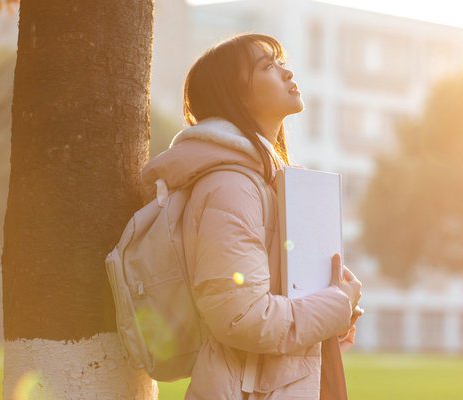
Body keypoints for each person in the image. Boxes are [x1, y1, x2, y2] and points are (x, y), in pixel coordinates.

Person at [142, 33, 363, 400]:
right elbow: (240, 318)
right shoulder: (230, 186)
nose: (287, 72)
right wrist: (337, 305)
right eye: (268, 66)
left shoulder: (269, 182)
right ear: (236, 94)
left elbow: (281, 297)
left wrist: (335, 316)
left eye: (281, 61)